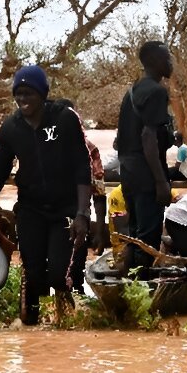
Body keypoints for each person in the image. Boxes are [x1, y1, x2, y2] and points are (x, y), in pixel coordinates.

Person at [0, 66, 91, 325]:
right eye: (18, 94)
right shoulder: (11, 128)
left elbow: (82, 167)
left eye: (29, 94)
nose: (23, 100)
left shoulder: (65, 119)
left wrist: (82, 213)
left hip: (64, 209)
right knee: (34, 275)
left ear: (42, 94)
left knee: (58, 274)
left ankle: (65, 310)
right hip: (31, 210)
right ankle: (34, 336)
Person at [115, 41, 175, 270]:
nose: (170, 63)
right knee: (148, 238)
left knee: (135, 232)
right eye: (167, 58)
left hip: (128, 173)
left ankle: (129, 286)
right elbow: (148, 139)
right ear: (155, 62)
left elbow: (120, 139)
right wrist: (160, 182)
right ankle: (143, 287)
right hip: (147, 174)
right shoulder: (157, 92)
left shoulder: (132, 91)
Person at [55, 98, 107, 291]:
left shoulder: (89, 148)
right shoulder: (44, 146)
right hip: (60, 214)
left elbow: (99, 191)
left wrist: (99, 233)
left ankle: (74, 291)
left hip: (76, 215)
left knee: (75, 259)